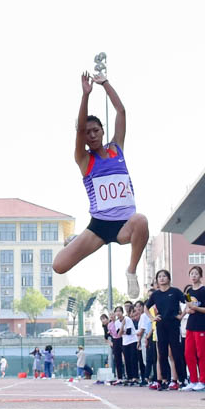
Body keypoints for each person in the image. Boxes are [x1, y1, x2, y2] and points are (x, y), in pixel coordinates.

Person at [55, 72, 149, 300]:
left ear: (102, 130)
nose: (92, 135)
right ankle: (77, 240)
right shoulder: (84, 159)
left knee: (142, 220)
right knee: (59, 266)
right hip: (99, 225)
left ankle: (131, 271)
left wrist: (105, 83)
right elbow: (79, 130)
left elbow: (121, 111)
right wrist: (85, 95)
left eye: (96, 130)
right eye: (87, 133)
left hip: (125, 224)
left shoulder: (117, 149)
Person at [145, 269, 185, 391]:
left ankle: (181, 380)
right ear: (157, 280)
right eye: (159, 277)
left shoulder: (176, 291)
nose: (161, 278)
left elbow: (188, 300)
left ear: (169, 278)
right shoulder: (155, 295)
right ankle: (164, 380)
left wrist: (181, 315)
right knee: (162, 354)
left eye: (164, 276)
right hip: (160, 325)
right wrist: (153, 318)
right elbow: (146, 308)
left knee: (176, 353)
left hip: (173, 324)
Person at [182, 265, 205, 390]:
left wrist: (196, 308)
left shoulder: (204, 291)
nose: (193, 276)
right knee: (188, 353)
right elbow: (188, 305)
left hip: (201, 325)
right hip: (190, 325)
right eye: (191, 274)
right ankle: (193, 380)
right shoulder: (189, 292)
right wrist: (188, 310)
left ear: (200, 276)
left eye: (196, 274)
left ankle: (202, 381)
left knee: (201, 353)